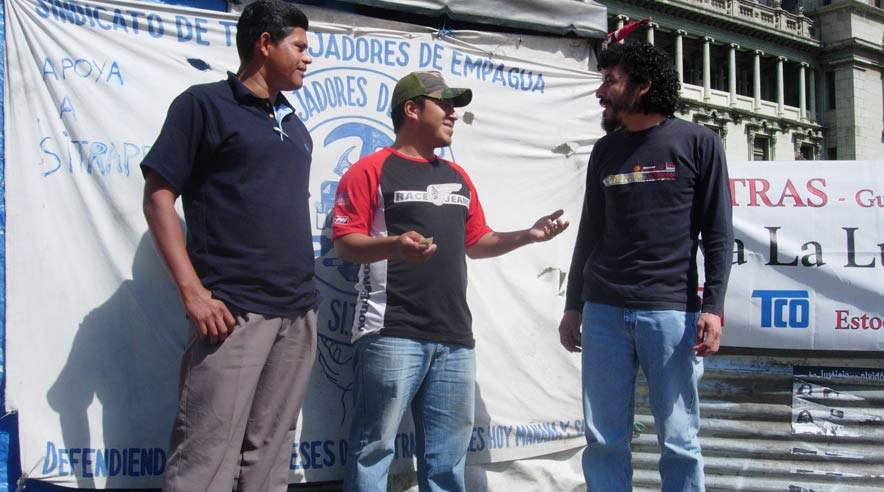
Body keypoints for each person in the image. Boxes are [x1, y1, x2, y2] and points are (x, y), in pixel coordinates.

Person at [332, 71, 569, 492]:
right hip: (390, 332)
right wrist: (395, 245)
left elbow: (478, 242)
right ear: (412, 109)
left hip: (456, 338)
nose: (454, 114)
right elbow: (347, 243)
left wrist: (527, 234)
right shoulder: (370, 170)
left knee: (446, 463)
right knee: (373, 451)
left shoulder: (458, 176)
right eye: (444, 104)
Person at [140, 1, 316, 490]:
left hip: (298, 312)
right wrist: (193, 293)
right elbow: (158, 198)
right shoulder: (203, 105)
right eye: (299, 47)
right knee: (206, 458)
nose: (307, 58)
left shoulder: (295, 126)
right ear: (265, 43)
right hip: (233, 312)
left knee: (272, 453)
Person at [558, 42, 733, 491]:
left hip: (670, 313)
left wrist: (712, 307)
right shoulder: (605, 151)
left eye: (609, 81)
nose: (601, 92)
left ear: (643, 86)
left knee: (678, 440)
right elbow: (590, 233)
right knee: (603, 440)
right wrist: (574, 304)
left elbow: (717, 234)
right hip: (603, 314)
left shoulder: (699, 143)